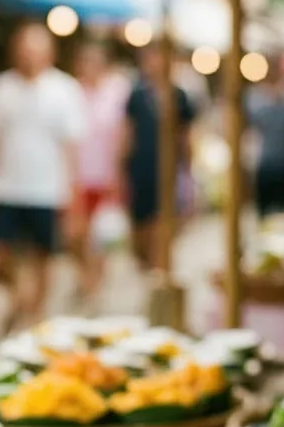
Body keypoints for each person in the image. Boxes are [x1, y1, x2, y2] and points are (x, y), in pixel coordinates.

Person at [0, 23, 86, 332]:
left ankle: (35, 313)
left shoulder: (64, 90)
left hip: (47, 189)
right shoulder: (1, 88)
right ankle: (19, 298)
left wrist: (72, 193)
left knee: (43, 257)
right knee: (2, 255)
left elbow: (71, 146)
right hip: (8, 186)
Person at [118, 43, 195, 273]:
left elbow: (186, 137)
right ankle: (149, 267)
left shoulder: (179, 96)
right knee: (140, 230)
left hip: (169, 172)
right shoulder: (137, 95)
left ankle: (160, 271)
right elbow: (127, 134)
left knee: (162, 226)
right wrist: (119, 170)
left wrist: (188, 175)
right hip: (140, 170)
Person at [68, 41, 130, 304]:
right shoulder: (73, 92)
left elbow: (122, 133)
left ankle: (95, 281)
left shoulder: (117, 91)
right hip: (78, 175)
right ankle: (86, 275)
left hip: (105, 175)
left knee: (100, 235)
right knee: (76, 235)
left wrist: (118, 170)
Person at [249, 72, 284, 217]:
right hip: (273, 165)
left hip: (278, 165)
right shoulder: (267, 109)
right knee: (274, 212)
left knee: (277, 212)